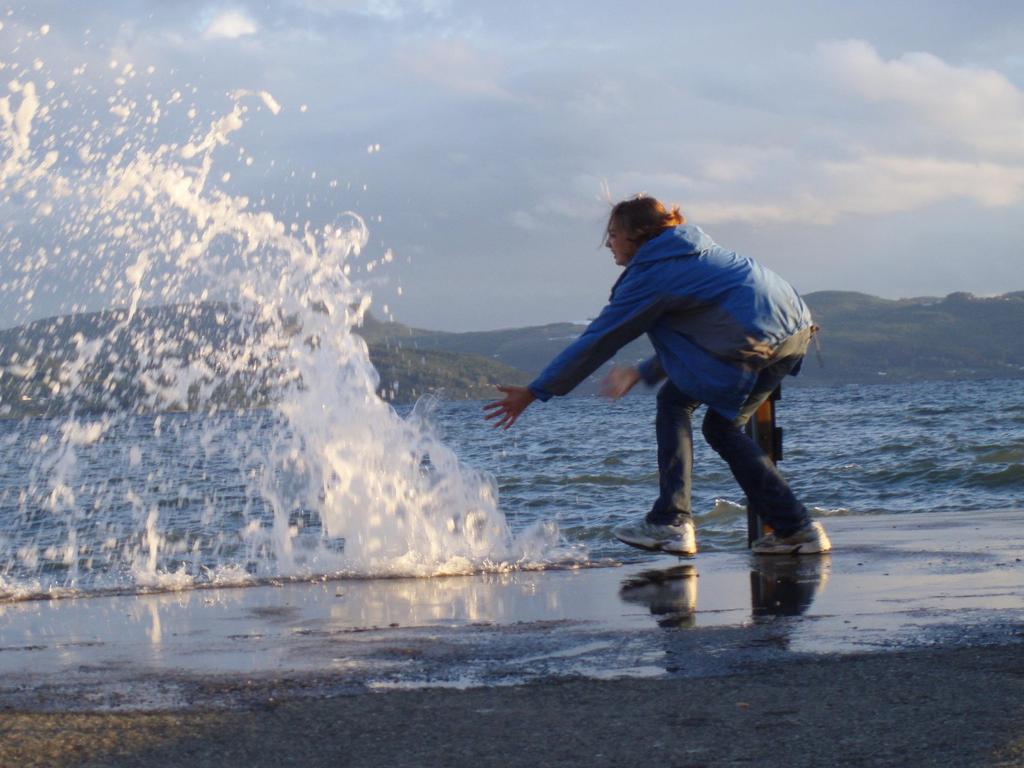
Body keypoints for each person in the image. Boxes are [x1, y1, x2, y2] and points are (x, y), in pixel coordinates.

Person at [484, 195, 830, 556]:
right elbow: (707, 333)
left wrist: (536, 390)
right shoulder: (693, 252)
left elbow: (598, 340)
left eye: (613, 234)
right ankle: (793, 529)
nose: (608, 244)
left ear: (638, 235)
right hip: (794, 332)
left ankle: (674, 522)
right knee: (693, 410)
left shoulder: (652, 273)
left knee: (702, 418)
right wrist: (642, 371)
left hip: (755, 343)